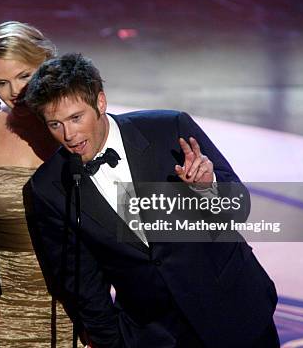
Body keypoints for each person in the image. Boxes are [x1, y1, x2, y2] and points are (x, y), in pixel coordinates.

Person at [23, 53, 280, 347]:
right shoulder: (50, 187)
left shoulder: (170, 129)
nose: (68, 135)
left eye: (75, 118)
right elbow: (81, 283)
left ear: (100, 102)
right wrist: (113, 341)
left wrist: (208, 188)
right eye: (55, 124)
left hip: (234, 310)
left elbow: (239, 208)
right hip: (154, 335)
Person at [0, 21, 73, 347]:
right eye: (1, 82)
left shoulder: (77, 127)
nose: (15, 92)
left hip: (78, 296)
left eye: (24, 76)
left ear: (47, 63)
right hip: (6, 298)